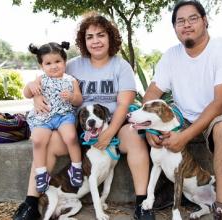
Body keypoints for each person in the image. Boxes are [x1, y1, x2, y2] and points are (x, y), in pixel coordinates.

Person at [13, 14, 155, 220]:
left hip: (111, 125)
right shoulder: (72, 65)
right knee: (49, 141)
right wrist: (36, 97)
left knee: (135, 137)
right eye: (90, 37)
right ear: (83, 41)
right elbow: (45, 77)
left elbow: (124, 104)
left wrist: (109, 134)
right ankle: (31, 203)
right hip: (78, 128)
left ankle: (143, 204)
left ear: (110, 38)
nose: (95, 41)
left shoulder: (120, 66)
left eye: (101, 35)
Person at [143, 0, 222, 219]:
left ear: (205, 21)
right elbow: (152, 93)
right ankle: (163, 192)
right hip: (186, 115)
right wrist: (150, 129)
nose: (186, 25)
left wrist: (185, 136)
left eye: (193, 18)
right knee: (147, 129)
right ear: (175, 29)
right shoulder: (171, 55)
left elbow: (221, 102)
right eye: (180, 21)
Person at [24, 42, 83, 193]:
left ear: (64, 61)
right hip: (44, 116)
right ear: (41, 65)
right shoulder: (40, 79)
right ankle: (41, 173)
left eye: (57, 61)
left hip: (64, 115)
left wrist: (71, 96)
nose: (54, 66)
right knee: (37, 140)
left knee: (70, 137)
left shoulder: (71, 80)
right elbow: (27, 93)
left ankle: (76, 168)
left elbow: (78, 100)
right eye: (48, 63)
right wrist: (30, 85)